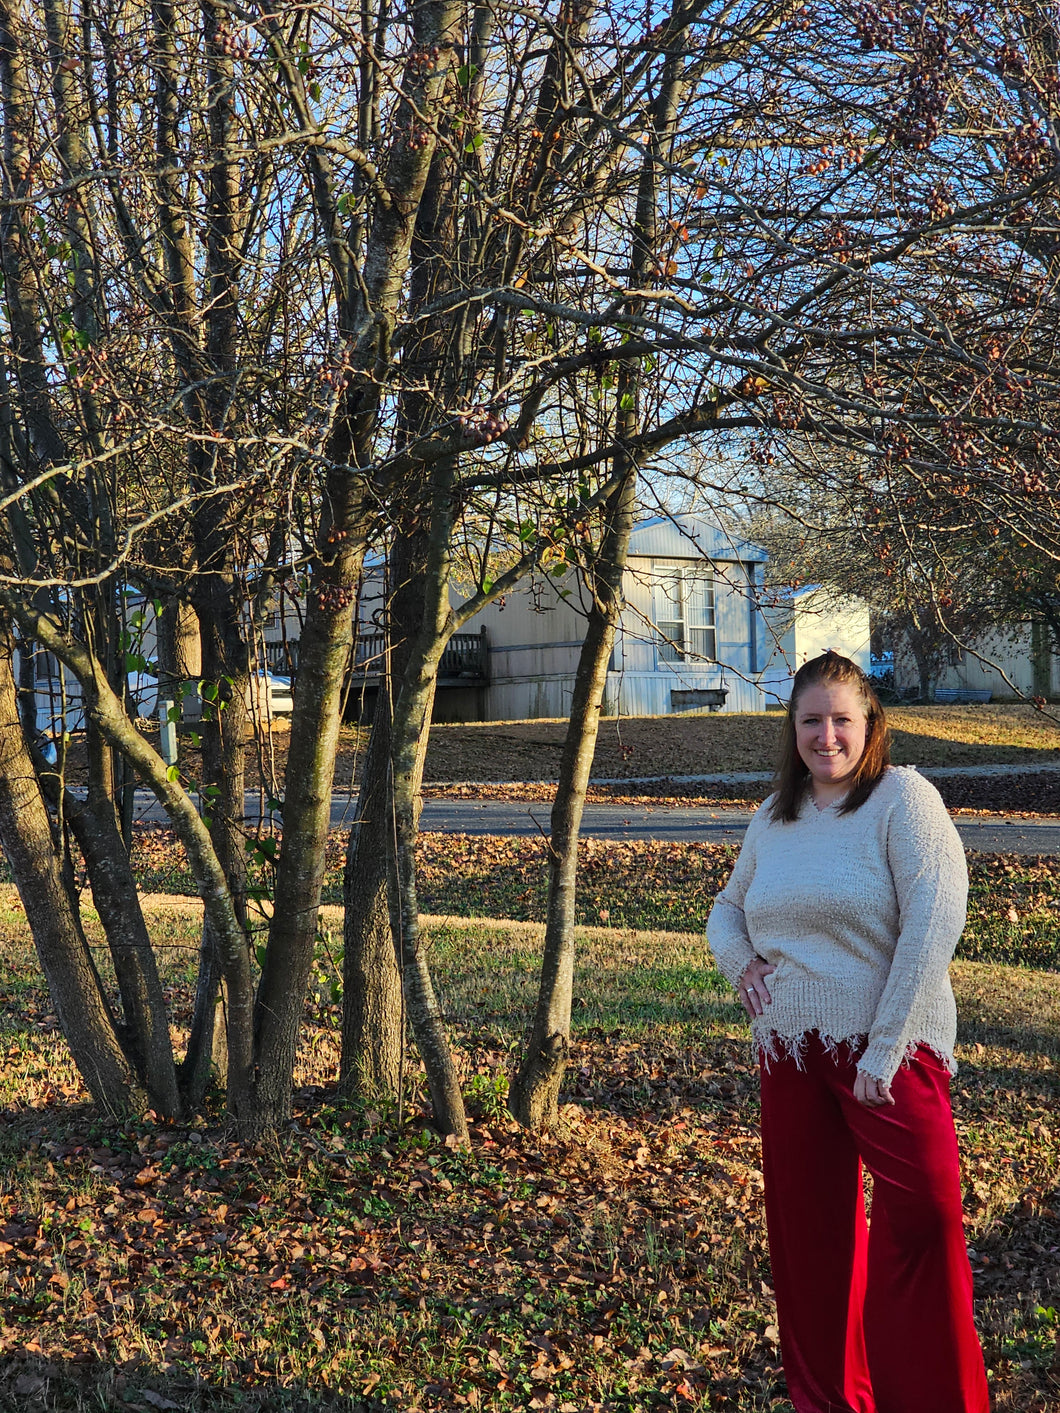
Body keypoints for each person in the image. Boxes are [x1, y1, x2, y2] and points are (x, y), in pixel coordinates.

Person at [707, 651, 990, 1413]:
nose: (825, 735)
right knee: (811, 1243)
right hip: (791, 1056)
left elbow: (935, 921)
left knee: (926, 1216)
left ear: (870, 723)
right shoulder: (774, 816)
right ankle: (833, 1401)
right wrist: (741, 965)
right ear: (792, 728)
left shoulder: (904, 800)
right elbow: (726, 907)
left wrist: (887, 1045)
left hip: (891, 1055)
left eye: (841, 718)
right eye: (810, 719)